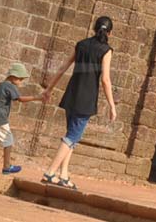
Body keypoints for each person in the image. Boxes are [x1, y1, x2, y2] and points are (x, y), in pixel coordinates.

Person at [40, 16, 118, 191]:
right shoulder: (106, 50)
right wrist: (112, 105)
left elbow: (63, 67)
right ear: (110, 33)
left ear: (94, 28)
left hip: (72, 94)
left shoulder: (81, 44)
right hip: (86, 98)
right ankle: (50, 172)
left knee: (71, 136)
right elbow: (105, 80)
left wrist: (49, 88)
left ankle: (64, 175)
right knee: (72, 137)